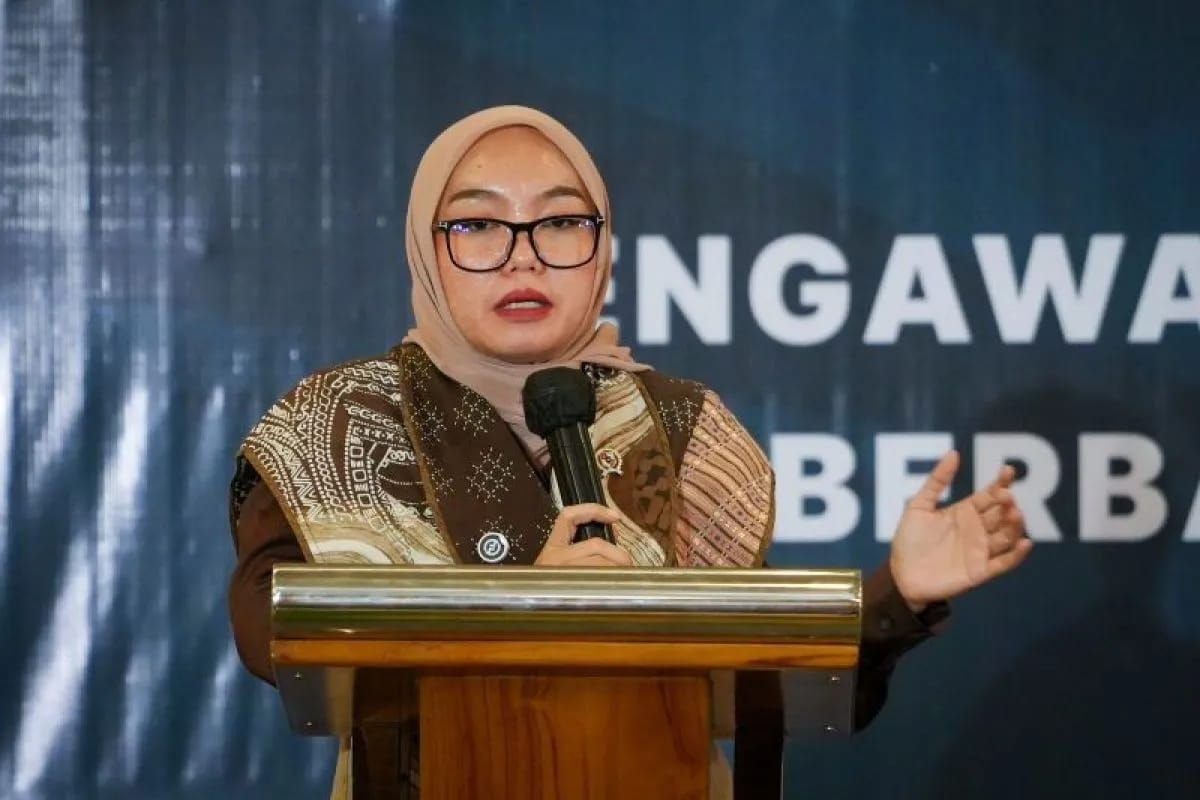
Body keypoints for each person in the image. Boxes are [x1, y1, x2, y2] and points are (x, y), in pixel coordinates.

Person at [227, 105, 1031, 799]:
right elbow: (271, 635)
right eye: (477, 224)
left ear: (604, 247)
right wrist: (522, 608)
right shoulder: (334, 421)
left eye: (560, 222)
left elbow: (768, 684)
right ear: (426, 249)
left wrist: (897, 595)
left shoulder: (685, 427)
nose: (523, 254)